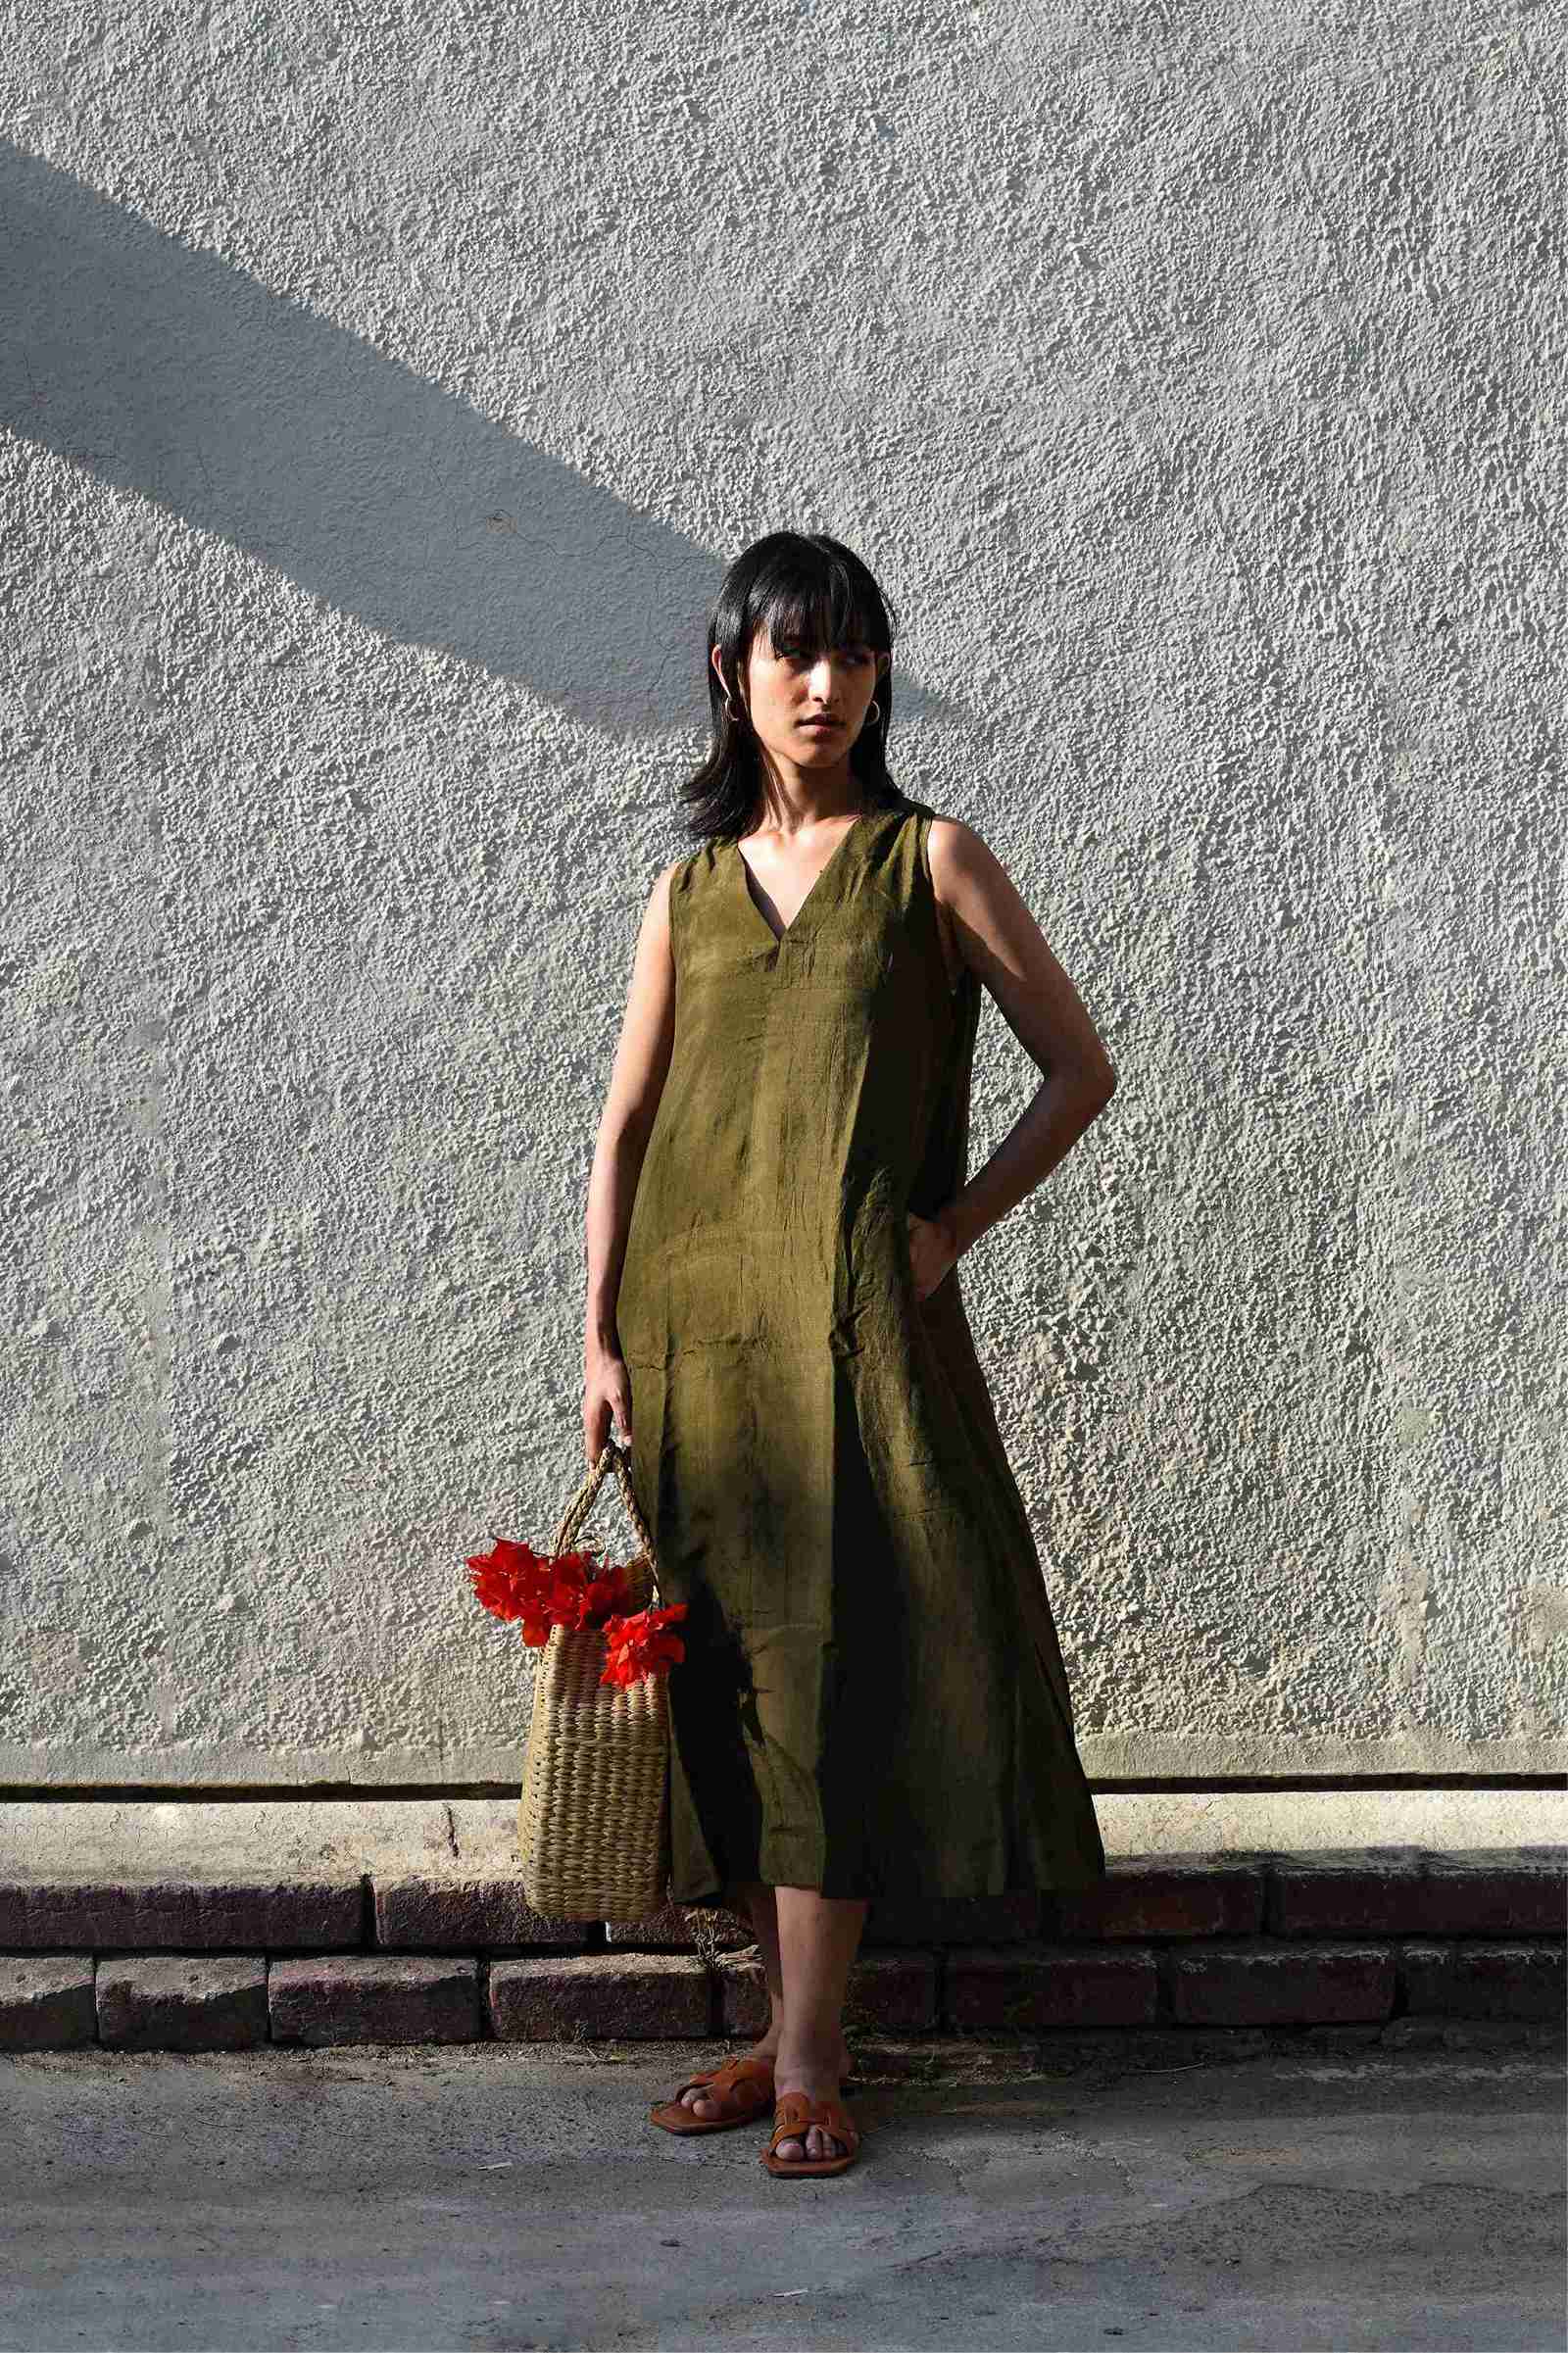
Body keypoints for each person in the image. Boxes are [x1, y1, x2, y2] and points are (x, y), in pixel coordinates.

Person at [581, 530, 1116, 2178]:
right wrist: (598, 1337)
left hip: (855, 1341)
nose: (824, 684)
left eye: (854, 653)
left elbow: (1079, 1068)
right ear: (730, 673)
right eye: (792, 652)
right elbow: (625, 1124)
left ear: (881, 676)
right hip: (693, 1346)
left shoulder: (929, 861)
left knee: (837, 1672)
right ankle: (779, 2035)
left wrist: (948, 1230)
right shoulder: (686, 893)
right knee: (734, 1683)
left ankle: (812, 2058)